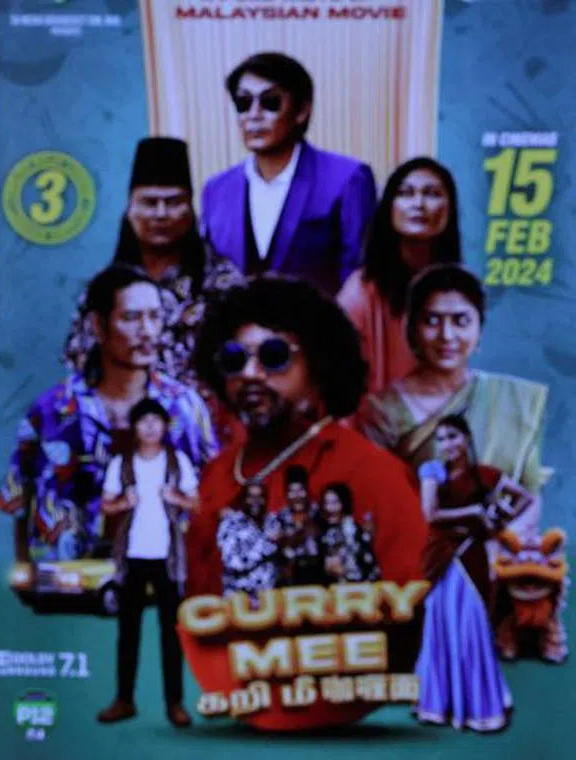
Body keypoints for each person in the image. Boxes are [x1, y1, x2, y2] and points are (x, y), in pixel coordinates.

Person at [185, 275, 427, 599]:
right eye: (234, 359)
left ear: (317, 365)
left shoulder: (374, 475)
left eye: (273, 356)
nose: (250, 373)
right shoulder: (216, 476)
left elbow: (411, 603)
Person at [0, 265, 218, 566]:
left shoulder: (186, 407)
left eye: (155, 316)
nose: (148, 331)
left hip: (167, 573)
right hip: (68, 578)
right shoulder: (50, 410)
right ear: (98, 326)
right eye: (131, 318)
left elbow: (214, 493)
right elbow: (18, 501)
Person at [360, 264, 549, 542]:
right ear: (412, 329)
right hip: (421, 560)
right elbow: (380, 503)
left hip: (504, 557)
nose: (446, 336)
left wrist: (504, 545)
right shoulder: (382, 410)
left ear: (480, 329)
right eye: (432, 321)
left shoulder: (516, 401)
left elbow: (530, 493)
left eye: (460, 321)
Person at [62, 138, 244, 418]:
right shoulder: (103, 289)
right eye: (149, 202)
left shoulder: (224, 285)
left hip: (203, 434)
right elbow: (80, 366)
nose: (161, 214)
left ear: (191, 211)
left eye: (173, 202)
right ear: (130, 210)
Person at [200, 53, 376, 296]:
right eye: (243, 103)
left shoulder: (347, 178)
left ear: (301, 111)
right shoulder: (216, 190)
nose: (254, 114)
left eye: (270, 102)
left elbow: (358, 277)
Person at [413, 414, 533, 733]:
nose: (446, 445)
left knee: (472, 626)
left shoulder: (486, 475)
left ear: (466, 438)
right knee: (443, 626)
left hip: (473, 558)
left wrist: (500, 516)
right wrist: (474, 513)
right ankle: (440, 705)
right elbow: (431, 513)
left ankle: (479, 707)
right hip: (443, 558)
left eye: (452, 437)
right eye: (440, 440)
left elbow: (524, 497)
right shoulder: (433, 472)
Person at [96, 398, 200, 728]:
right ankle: (124, 700)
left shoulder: (177, 460)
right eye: (144, 421)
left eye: (157, 420)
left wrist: (177, 499)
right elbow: (105, 506)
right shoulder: (121, 463)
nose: (151, 426)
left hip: (168, 559)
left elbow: (196, 503)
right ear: (135, 428)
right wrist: (122, 502)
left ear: (165, 426)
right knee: (128, 633)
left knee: (172, 634)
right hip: (132, 558)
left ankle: (175, 704)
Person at [337, 158, 462, 395]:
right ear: (389, 208)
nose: (419, 204)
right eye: (406, 193)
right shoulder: (362, 291)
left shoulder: (459, 290)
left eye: (432, 194)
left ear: (449, 209)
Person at [216, 482, 280, 597]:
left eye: (260, 497)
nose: (256, 501)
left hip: (268, 596)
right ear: (243, 500)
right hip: (239, 596)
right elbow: (232, 562)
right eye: (251, 497)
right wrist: (266, 545)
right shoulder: (231, 523)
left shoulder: (272, 521)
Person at [268, 464, 326, 586]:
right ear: (286, 494)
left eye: (300, 490)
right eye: (292, 491)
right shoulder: (278, 518)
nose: (297, 496)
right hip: (289, 577)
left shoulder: (320, 514)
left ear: (307, 491)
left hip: (318, 575)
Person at [318, 482, 380, 584]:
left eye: (334, 503)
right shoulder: (323, 532)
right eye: (326, 503)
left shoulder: (354, 530)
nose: (329, 508)